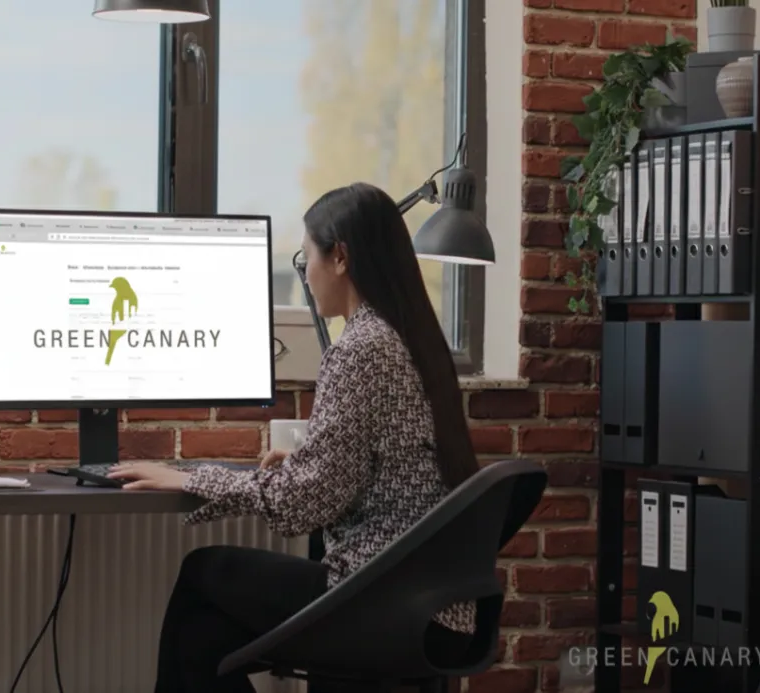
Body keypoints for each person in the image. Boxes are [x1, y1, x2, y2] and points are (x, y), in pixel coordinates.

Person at [107, 182, 482, 693]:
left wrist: (192, 478)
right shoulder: (410, 337)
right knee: (201, 636)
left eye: (307, 258)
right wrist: (310, 462)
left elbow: (304, 505)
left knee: (203, 571)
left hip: (385, 600)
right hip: (433, 604)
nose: (304, 274)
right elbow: (382, 466)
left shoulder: (362, 349)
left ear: (340, 258)